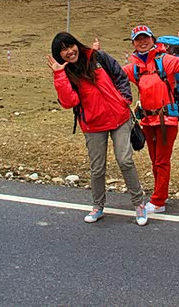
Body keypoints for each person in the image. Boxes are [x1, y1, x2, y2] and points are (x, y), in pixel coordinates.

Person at [47, 32, 147, 226]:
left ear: (77, 44)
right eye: (63, 50)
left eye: (70, 46)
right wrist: (59, 75)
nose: (69, 52)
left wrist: (124, 99)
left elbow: (119, 75)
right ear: (59, 55)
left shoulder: (97, 57)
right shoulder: (65, 73)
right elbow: (69, 102)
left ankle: (139, 204)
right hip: (93, 124)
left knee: (125, 161)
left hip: (119, 117)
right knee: (97, 167)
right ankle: (97, 206)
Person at [121, 26, 179, 214]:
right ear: (133, 43)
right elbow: (113, 74)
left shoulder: (165, 60)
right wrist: (97, 56)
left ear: (152, 39)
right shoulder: (135, 67)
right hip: (147, 120)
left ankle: (158, 201)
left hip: (166, 120)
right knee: (155, 160)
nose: (142, 42)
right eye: (138, 39)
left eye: (145, 38)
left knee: (162, 161)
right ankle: (159, 195)